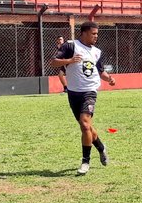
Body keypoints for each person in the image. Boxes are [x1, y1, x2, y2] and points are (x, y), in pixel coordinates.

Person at [50, 21, 117, 175]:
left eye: (97, 34)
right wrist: (69, 61)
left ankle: (85, 161)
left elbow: (100, 71)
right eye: (93, 34)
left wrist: (109, 78)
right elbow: (53, 62)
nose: (96, 36)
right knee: (85, 126)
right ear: (84, 33)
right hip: (73, 93)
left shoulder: (97, 52)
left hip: (90, 91)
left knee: (85, 124)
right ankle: (101, 147)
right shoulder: (70, 46)